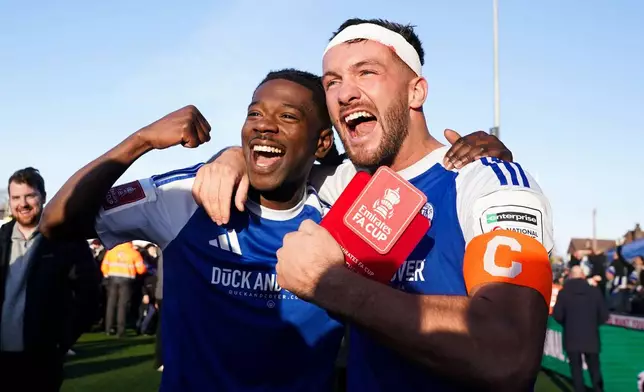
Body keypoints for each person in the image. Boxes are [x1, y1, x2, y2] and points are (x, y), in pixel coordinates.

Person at [40, 68, 509, 391]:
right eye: (254, 113)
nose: (264, 127)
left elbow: (421, 180)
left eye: (288, 117)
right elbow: (56, 222)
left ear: (322, 142)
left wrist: (479, 158)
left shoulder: (347, 210)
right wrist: (142, 140)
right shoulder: (187, 196)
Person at [197, 18, 553, 391]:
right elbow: (272, 166)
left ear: (416, 92)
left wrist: (332, 285)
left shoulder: (484, 184)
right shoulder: (339, 185)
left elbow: (508, 351)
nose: (344, 94)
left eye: (365, 72)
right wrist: (233, 156)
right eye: (332, 81)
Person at [0, 167, 100, 392]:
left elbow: (90, 297)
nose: (22, 203)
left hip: (42, 358)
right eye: (16, 197)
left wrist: (62, 341)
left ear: (43, 197)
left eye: (29, 196)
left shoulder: (66, 240)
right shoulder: (1, 238)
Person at [553, 265, 608, 392]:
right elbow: (604, 315)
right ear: (583, 275)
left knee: (576, 370)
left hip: (572, 336)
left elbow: (558, 315)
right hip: (591, 336)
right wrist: (593, 324)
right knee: (594, 369)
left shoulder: (564, 293)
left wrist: (568, 324)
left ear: (570, 276)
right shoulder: (594, 292)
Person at [101, 241, 147, 337]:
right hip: (127, 280)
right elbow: (141, 270)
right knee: (122, 305)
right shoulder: (134, 253)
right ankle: (120, 331)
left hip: (112, 278)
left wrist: (108, 274)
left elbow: (104, 267)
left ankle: (108, 328)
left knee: (111, 304)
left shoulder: (111, 251)